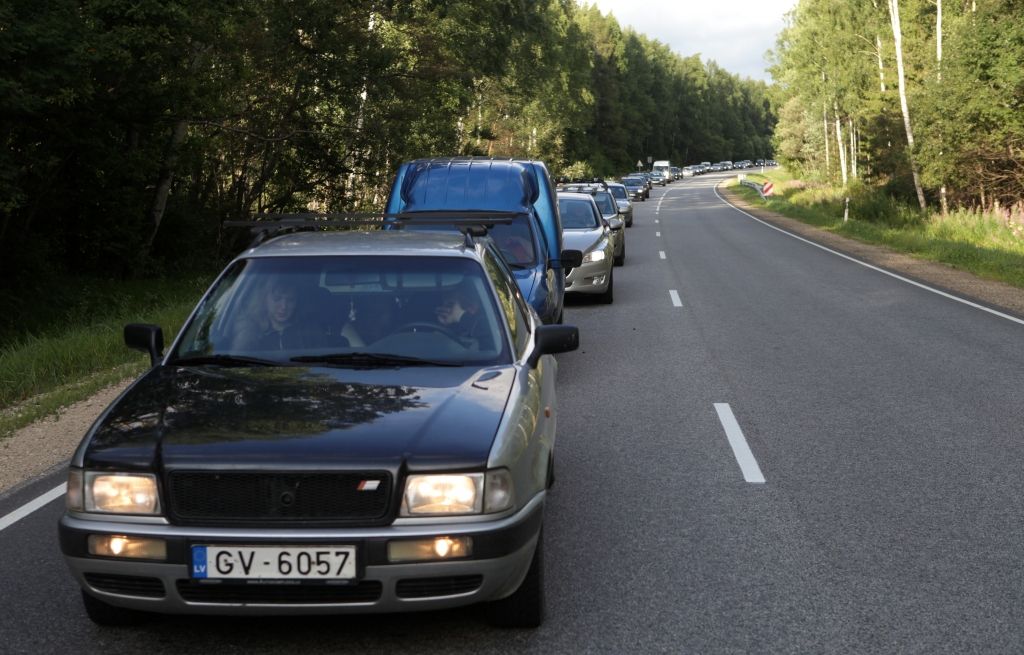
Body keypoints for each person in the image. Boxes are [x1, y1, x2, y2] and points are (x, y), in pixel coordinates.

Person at [232, 277, 324, 350]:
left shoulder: (310, 330)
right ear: (264, 299)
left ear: (297, 302)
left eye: (290, 300)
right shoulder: (250, 330)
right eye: (277, 299)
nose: (283, 306)